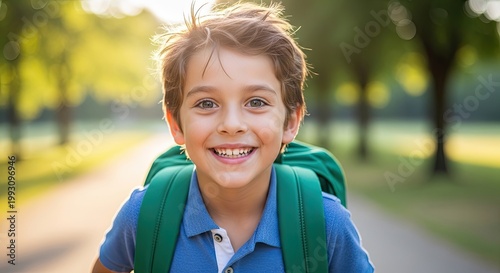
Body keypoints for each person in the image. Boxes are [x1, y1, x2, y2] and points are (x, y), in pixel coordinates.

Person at [92, 2, 374, 272]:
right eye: (206, 103)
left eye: (256, 102)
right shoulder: (142, 216)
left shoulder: (325, 224)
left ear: (291, 121)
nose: (231, 125)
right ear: (176, 123)